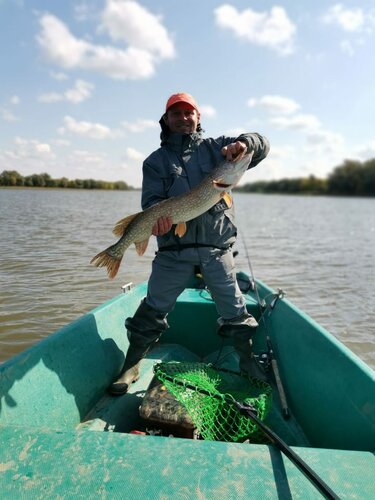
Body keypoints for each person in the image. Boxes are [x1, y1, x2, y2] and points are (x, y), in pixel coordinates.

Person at [109, 92, 270, 395]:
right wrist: (156, 220)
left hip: (216, 249)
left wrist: (246, 144)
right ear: (166, 120)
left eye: (189, 113)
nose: (183, 118)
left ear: (198, 117)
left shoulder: (219, 150)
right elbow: (152, 202)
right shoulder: (155, 162)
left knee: (236, 311)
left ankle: (247, 361)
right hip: (173, 250)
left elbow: (262, 145)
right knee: (153, 309)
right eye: (176, 114)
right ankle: (132, 363)